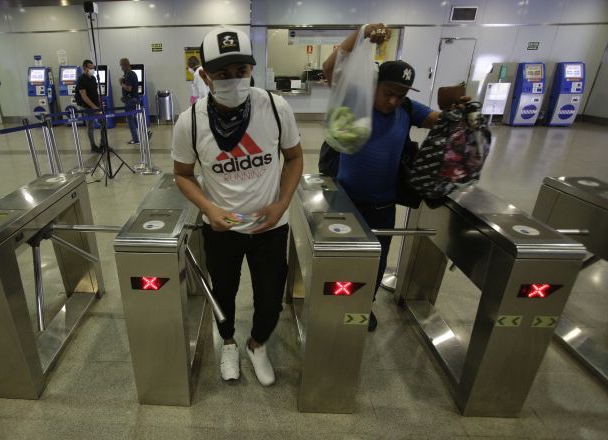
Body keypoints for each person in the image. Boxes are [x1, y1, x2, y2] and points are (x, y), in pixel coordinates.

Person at [172, 26, 303, 386]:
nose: (233, 80)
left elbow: (293, 158)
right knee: (223, 293)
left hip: (269, 226)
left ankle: (257, 344)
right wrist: (208, 210)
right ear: (205, 75)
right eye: (222, 74)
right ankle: (228, 342)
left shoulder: (276, 107)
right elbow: (182, 174)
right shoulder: (191, 122)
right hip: (222, 228)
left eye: (240, 71)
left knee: (270, 300)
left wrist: (281, 203)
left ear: (251, 68)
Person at [322, 24, 468, 332]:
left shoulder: (408, 109)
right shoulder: (354, 98)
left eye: (400, 96)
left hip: (383, 203)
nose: (393, 102)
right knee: (342, 257)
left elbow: (439, 121)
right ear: (375, 84)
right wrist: (361, 33)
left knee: (376, 258)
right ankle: (337, 303)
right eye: (389, 93)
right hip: (345, 198)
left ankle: (365, 305)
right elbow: (331, 66)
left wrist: (460, 113)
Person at [75, 60, 105, 153]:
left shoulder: (93, 78)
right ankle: (93, 146)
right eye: (90, 67)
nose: (92, 69)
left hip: (96, 105)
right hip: (87, 107)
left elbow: (95, 92)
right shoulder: (81, 79)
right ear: (85, 68)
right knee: (90, 126)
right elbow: (84, 95)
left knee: (104, 123)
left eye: (93, 67)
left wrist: (99, 103)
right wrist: (93, 107)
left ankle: (103, 143)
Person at [118, 58, 142, 145]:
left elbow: (129, 88)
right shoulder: (131, 74)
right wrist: (124, 97)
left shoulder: (129, 74)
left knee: (130, 120)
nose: (121, 68)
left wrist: (121, 83)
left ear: (125, 65)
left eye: (121, 65)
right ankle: (143, 134)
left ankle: (136, 139)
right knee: (135, 119)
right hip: (133, 99)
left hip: (131, 101)